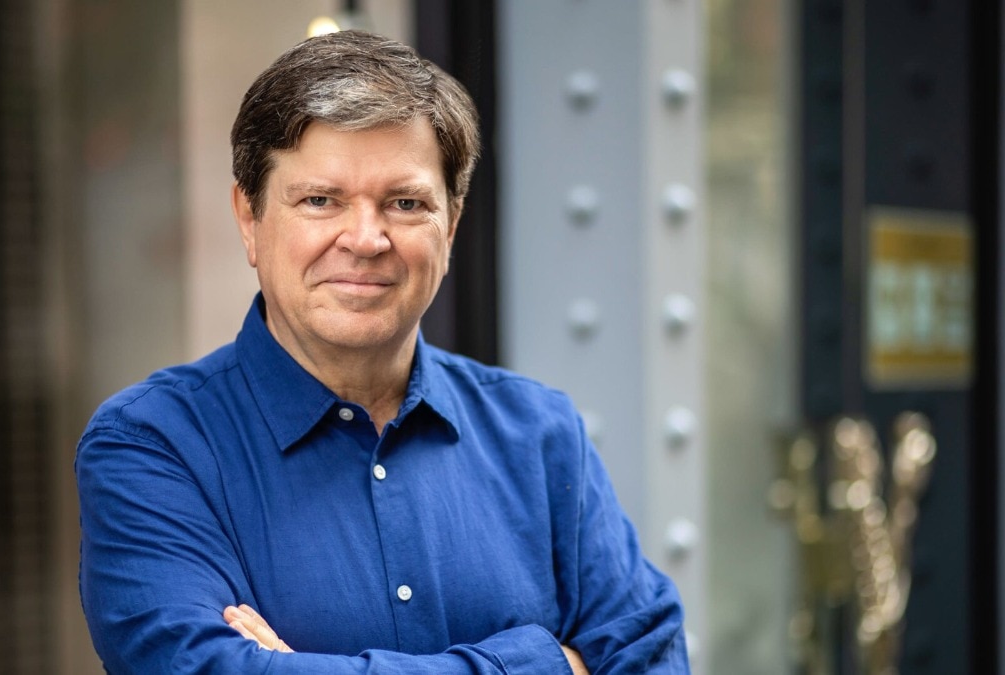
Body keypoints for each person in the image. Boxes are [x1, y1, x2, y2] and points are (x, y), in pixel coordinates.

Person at [76, 30, 690, 674]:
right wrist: (546, 664)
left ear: (451, 226)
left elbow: (652, 660)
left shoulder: (540, 434)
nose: (366, 239)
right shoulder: (152, 446)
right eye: (320, 200)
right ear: (249, 218)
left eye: (405, 203)